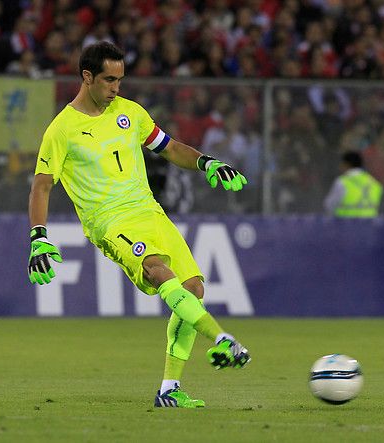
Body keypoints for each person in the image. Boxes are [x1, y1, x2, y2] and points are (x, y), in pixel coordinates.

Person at [27, 42, 250, 408]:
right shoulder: (62, 129)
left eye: (120, 79)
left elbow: (171, 147)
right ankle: (222, 338)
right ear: (87, 77)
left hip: (150, 212)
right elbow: (42, 185)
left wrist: (207, 162)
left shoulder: (129, 112)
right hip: (110, 220)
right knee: (156, 269)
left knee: (193, 289)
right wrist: (39, 235)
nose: (116, 87)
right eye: (109, 79)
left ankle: (169, 390)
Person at [324, 151, 383, 217]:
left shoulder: (342, 182)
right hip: (368, 225)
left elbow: (329, 205)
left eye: (341, 164)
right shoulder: (375, 184)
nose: (340, 167)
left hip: (345, 224)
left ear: (347, 164)